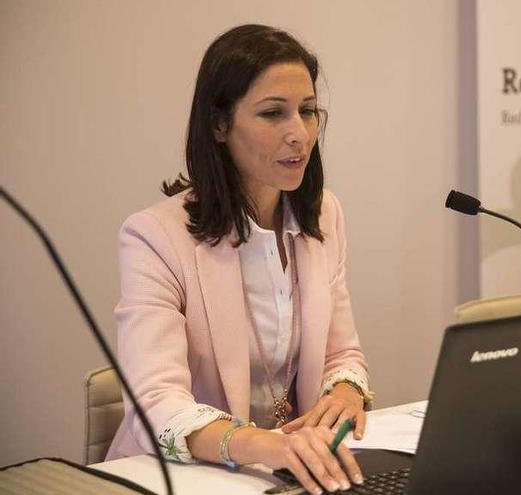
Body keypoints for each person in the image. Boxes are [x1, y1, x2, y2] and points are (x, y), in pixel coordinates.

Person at [106, 24, 370, 495]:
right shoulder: (154, 236)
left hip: (287, 478)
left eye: (308, 112)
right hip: (180, 480)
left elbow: (342, 355)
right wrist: (267, 446)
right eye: (273, 113)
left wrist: (346, 393)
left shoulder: (325, 214)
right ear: (219, 125)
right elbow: (155, 404)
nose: (299, 134)